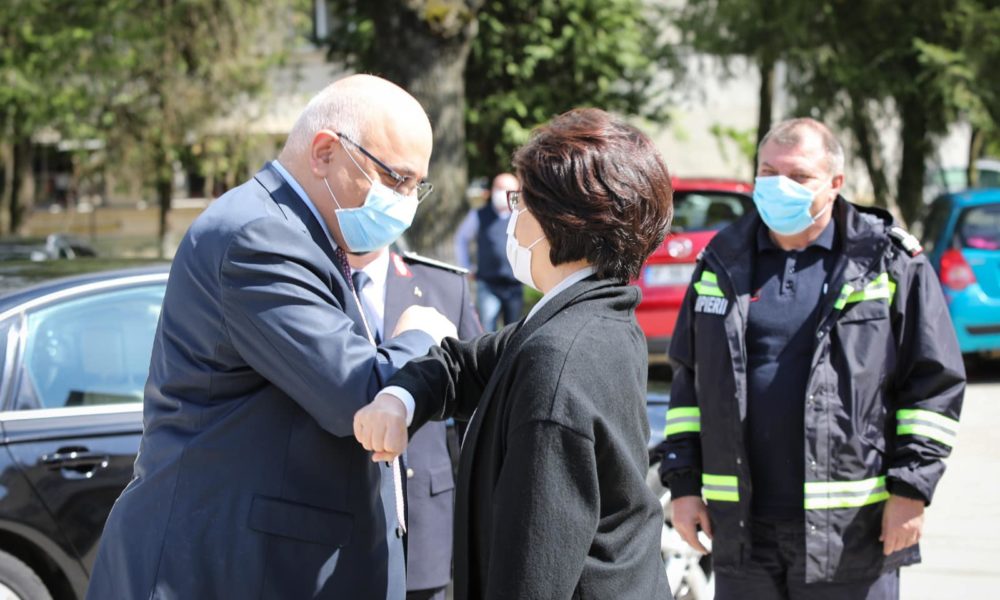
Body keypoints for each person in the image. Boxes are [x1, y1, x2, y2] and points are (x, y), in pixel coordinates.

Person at [87, 75, 456, 600]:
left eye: (417, 186)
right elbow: (359, 396)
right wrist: (420, 336)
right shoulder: (261, 236)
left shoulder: (299, 233)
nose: (405, 202)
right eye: (394, 179)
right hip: (217, 573)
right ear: (325, 153)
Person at [355, 108, 675, 599]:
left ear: (556, 220)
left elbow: (532, 573)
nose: (512, 217)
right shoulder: (592, 316)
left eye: (520, 201)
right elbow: (465, 364)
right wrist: (399, 398)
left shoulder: (557, 359)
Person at [657, 117, 966, 600]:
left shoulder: (885, 260)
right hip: (742, 534)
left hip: (852, 534)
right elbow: (688, 384)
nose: (780, 186)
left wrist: (912, 489)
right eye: (769, 172)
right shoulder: (722, 260)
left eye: (799, 176)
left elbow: (934, 383)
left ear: (835, 183)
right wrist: (683, 484)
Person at [344, 246, 483, 600]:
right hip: (332, 525)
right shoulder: (310, 277)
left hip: (423, 522)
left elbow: (474, 406)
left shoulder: (443, 285)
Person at [453, 173, 523, 330]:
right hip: (488, 284)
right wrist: (466, 266)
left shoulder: (521, 216)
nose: (502, 193)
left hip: (514, 285)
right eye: (499, 188)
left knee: (514, 331)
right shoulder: (479, 215)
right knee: (486, 329)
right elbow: (461, 239)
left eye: (508, 190)